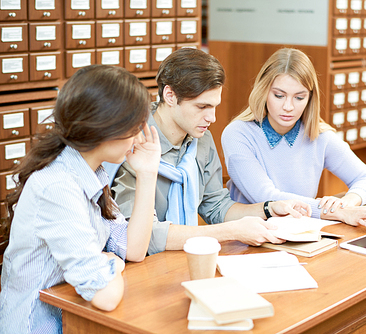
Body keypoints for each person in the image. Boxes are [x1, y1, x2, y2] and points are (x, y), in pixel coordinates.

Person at [0, 65, 161, 333]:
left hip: (71, 320)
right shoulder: (58, 187)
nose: (137, 135)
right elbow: (106, 297)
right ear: (105, 127)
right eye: (133, 126)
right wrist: (110, 262)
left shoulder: (89, 172)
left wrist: (147, 173)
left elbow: (134, 249)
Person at [111, 48, 311, 255]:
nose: (212, 118)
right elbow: (140, 236)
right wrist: (229, 231)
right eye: (202, 107)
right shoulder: (132, 142)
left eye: (214, 106)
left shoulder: (201, 139)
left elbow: (216, 206)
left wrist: (268, 209)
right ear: (170, 95)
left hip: (180, 260)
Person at [221, 48, 366, 228]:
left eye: (299, 97)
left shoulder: (320, 135)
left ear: (310, 98)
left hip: (300, 232)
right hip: (249, 238)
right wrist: (338, 212)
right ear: (263, 92)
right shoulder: (238, 134)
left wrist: (347, 203)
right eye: (279, 95)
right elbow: (267, 197)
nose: (288, 106)